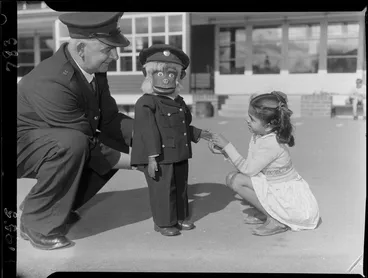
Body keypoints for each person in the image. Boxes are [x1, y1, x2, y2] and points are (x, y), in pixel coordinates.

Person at [17, 12, 134, 250]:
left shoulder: (94, 67)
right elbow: (88, 145)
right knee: (72, 144)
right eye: (107, 50)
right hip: (22, 145)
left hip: (53, 139)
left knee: (114, 141)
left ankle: (57, 207)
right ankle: (35, 222)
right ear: (81, 48)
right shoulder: (51, 80)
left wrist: (154, 135)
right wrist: (140, 161)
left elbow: (109, 118)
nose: (115, 55)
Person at [208, 91, 320, 236]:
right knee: (233, 178)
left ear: (268, 126)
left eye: (252, 119)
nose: (247, 120)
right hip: (274, 185)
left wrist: (228, 146)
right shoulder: (261, 136)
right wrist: (225, 152)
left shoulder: (271, 143)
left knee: (236, 180)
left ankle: (276, 219)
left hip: (291, 202)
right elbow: (251, 167)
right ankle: (269, 211)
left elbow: (248, 170)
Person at [131, 44, 212, 236]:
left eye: (172, 73)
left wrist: (200, 134)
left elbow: (180, 128)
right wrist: (152, 157)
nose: (166, 78)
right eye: (160, 73)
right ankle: (163, 222)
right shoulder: (146, 102)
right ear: (149, 75)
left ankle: (180, 217)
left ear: (178, 77)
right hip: (159, 156)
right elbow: (148, 131)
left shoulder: (178, 101)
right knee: (163, 189)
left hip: (178, 153)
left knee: (181, 187)